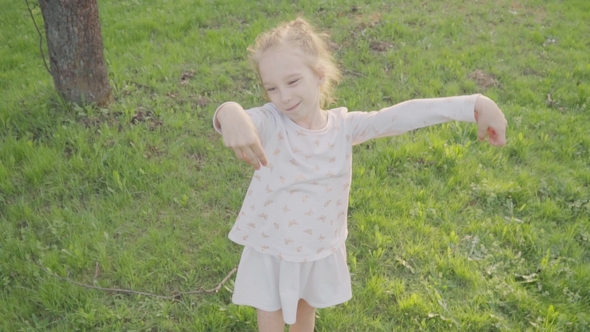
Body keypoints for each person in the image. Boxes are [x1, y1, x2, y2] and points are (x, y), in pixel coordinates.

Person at [212, 17, 507, 332]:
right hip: (273, 247)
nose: (283, 96)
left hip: (316, 248)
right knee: (270, 315)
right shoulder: (271, 121)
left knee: (303, 313)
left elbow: (401, 116)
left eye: (293, 81)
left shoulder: (344, 127)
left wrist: (473, 103)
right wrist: (229, 113)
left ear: (319, 75)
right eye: (272, 88)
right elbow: (237, 117)